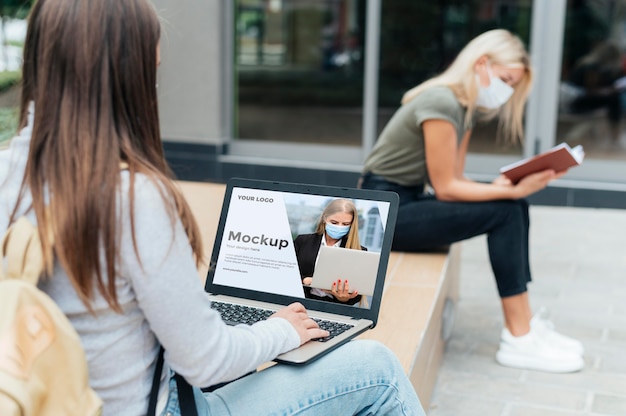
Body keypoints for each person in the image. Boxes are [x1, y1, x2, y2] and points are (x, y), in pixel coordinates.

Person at [0, 1, 426, 415]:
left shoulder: (5, 170)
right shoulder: (132, 198)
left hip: (42, 398)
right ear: (126, 77)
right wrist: (280, 329)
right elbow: (206, 361)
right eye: (153, 71)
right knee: (379, 371)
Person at [358, 29, 585, 373]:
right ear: (482, 64)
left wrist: (505, 185)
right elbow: (447, 188)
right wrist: (510, 191)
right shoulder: (442, 101)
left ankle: (524, 325)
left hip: (407, 202)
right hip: (382, 214)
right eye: (506, 80)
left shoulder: (463, 107)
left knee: (512, 206)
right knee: (509, 209)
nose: (507, 92)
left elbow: (457, 180)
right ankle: (519, 337)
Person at [294, 198, 364, 305]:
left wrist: (343, 298)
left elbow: (356, 296)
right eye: (334, 222)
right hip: (300, 303)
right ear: (324, 218)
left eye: (345, 224)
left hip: (334, 309)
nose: (339, 227)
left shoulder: (359, 251)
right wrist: (305, 280)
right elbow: (285, 274)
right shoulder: (303, 241)